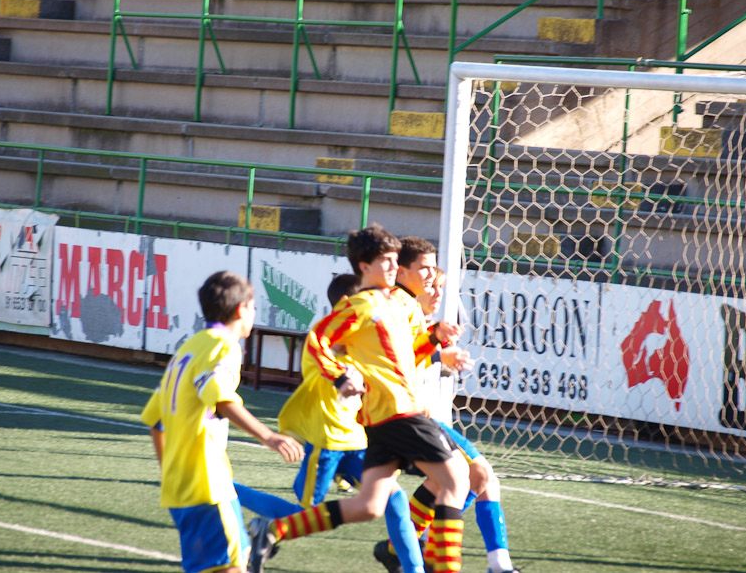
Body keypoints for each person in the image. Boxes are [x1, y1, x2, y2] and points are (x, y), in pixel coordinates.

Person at [248, 224, 471, 573]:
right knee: (456, 479)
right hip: (398, 411)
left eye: (396, 260)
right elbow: (317, 341)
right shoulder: (360, 305)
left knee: (370, 505)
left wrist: (436, 339)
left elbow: (410, 353)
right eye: (386, 261)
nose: (394, 267)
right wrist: (339, 376)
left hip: (383, 419)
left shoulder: (396, 303)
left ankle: (273, 529)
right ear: (364, 266)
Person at [141, 270, 304, 573]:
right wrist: (269, 436)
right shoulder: (224, 346)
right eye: (254, 307)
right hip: (209, 484)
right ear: (242, 309)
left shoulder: (188, 349)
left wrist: (169, 472)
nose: (254, 314)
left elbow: (155, 420)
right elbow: (219, 397)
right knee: (233, 568)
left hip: (179, 486)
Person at [380, 245, 519, 573]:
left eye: (440, 285)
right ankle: (412, 547)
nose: (436, 290)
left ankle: (493, 563)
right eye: (431, 283)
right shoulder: (402, 309)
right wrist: (437, 352)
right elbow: (397, 360)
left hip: (416, 416)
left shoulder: (418, 317)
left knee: (472, 479)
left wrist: (439, 346)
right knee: (476, 474)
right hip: (406, 418)